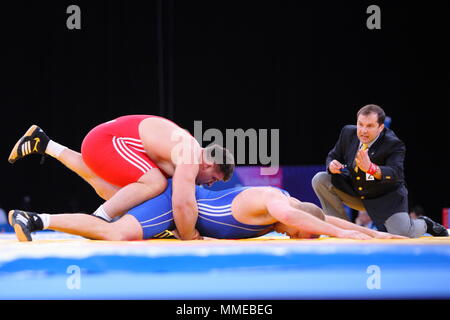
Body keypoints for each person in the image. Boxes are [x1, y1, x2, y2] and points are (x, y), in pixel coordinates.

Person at [8, 115, 235, 240]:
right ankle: (100, 218)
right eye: (212, 179)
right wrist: (191, 237)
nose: (209, 184)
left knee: (121, 192)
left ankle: (44, 143)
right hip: (109, 140)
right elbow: (183, 203)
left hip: (107, 140)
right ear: (209, 163)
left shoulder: (187, 149)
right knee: (154, 182)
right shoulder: (191, 155)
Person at [8, 179, 407, 242]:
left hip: (184, 208)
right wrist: (349, 235)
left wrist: (378, 234)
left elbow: (319, 217)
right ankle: (37, 219)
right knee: (112, 230)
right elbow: (309, 219)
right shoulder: (275, 202)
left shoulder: (288, 210)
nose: (293, 235)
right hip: (174, 205)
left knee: (108, 210)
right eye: (298, 232)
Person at [312, 104, 448, 238]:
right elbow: (333, 155)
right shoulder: (347, 132)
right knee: (320, 179)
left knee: (404, 233)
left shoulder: (394, 144)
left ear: (381, 127)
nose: (363, 130)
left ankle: (425, 223)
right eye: (360, 124)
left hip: (385, 198)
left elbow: (396, 174)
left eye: (369, 126)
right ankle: (342, 228)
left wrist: (371, 168)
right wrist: (332, 165)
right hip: (355, 192)